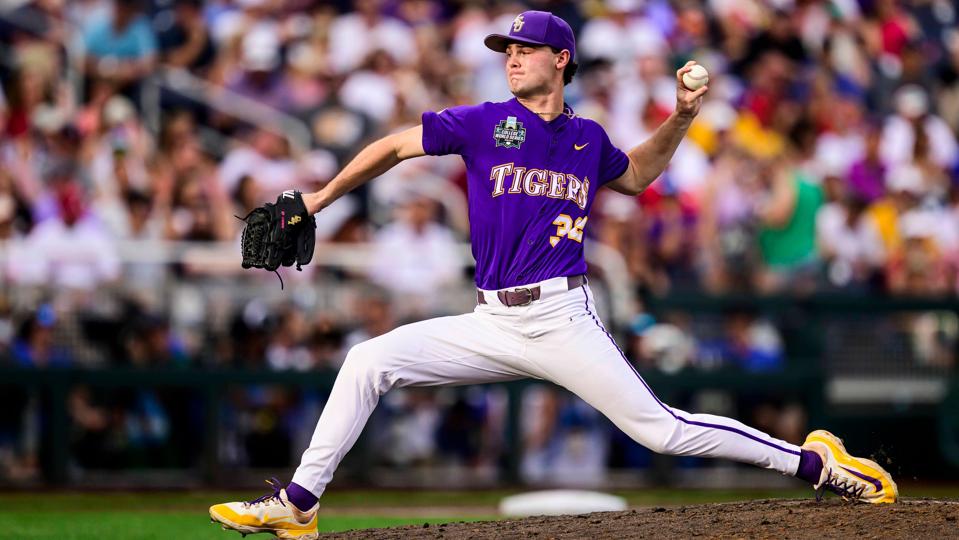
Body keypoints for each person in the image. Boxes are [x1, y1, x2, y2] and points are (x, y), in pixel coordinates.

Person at [209, 11, 897, 539]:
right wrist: (321, 197)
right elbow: (393, 146)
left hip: (560, 317)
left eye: (523, 49)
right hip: (489, 319)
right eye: (504, 50)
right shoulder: (483, 123)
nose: (509, 57)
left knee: (661, 430)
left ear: (560, 59)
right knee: (367, 361)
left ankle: (817, 465)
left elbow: (636, 175)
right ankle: (298, 506)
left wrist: (682, 116)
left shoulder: (586, 138)